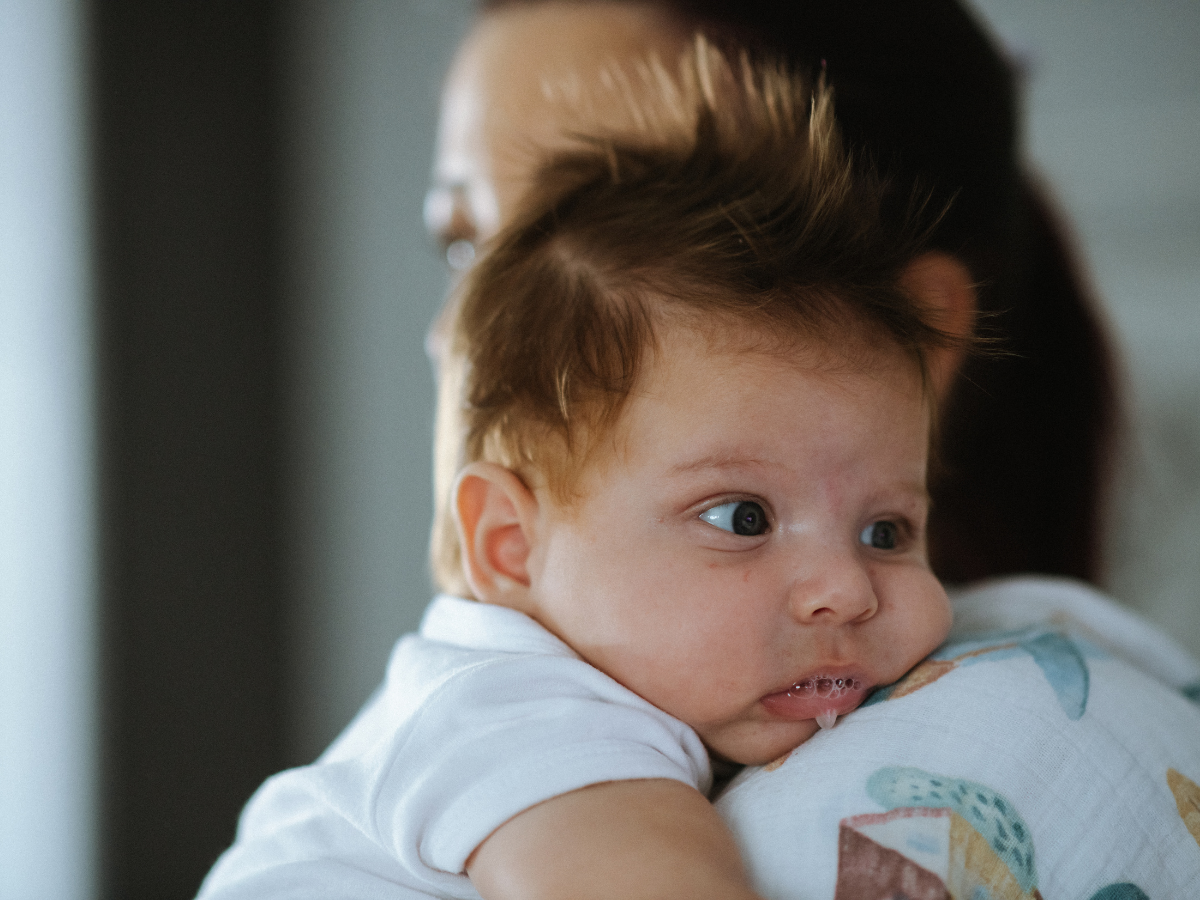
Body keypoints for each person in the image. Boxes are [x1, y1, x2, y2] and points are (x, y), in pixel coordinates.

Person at [197, 42, 966, 899]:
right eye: (741, 517)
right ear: (509, 544)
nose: (846, 590)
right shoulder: (521, 714)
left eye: (886, 530)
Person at [424, 0, 1120, 595]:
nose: (473, 339)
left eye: (606, 246)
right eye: (462, 243)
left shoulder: (992, 740)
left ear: (912, 339)